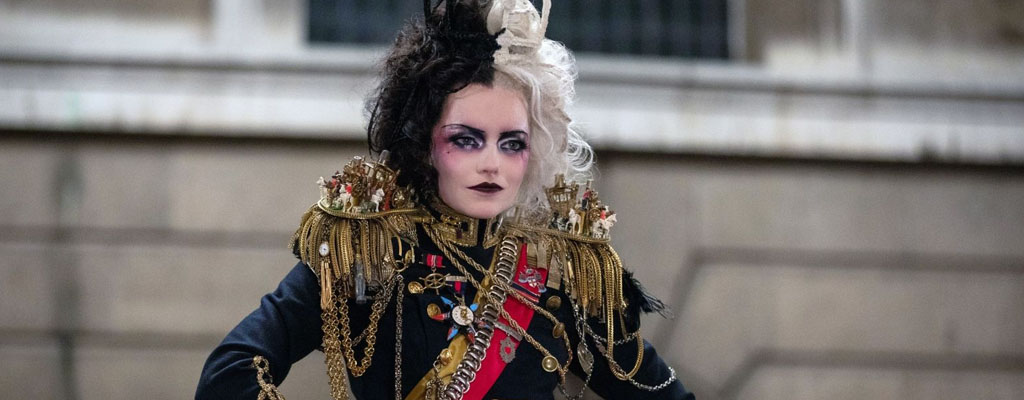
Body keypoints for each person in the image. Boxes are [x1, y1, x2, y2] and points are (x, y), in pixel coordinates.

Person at [197, 1, 695, 399]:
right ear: (424, 144)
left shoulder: (561, 272)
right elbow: (230, 371)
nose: (492, 164)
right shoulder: (369, 252)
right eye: (466, 140)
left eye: (512, 143)